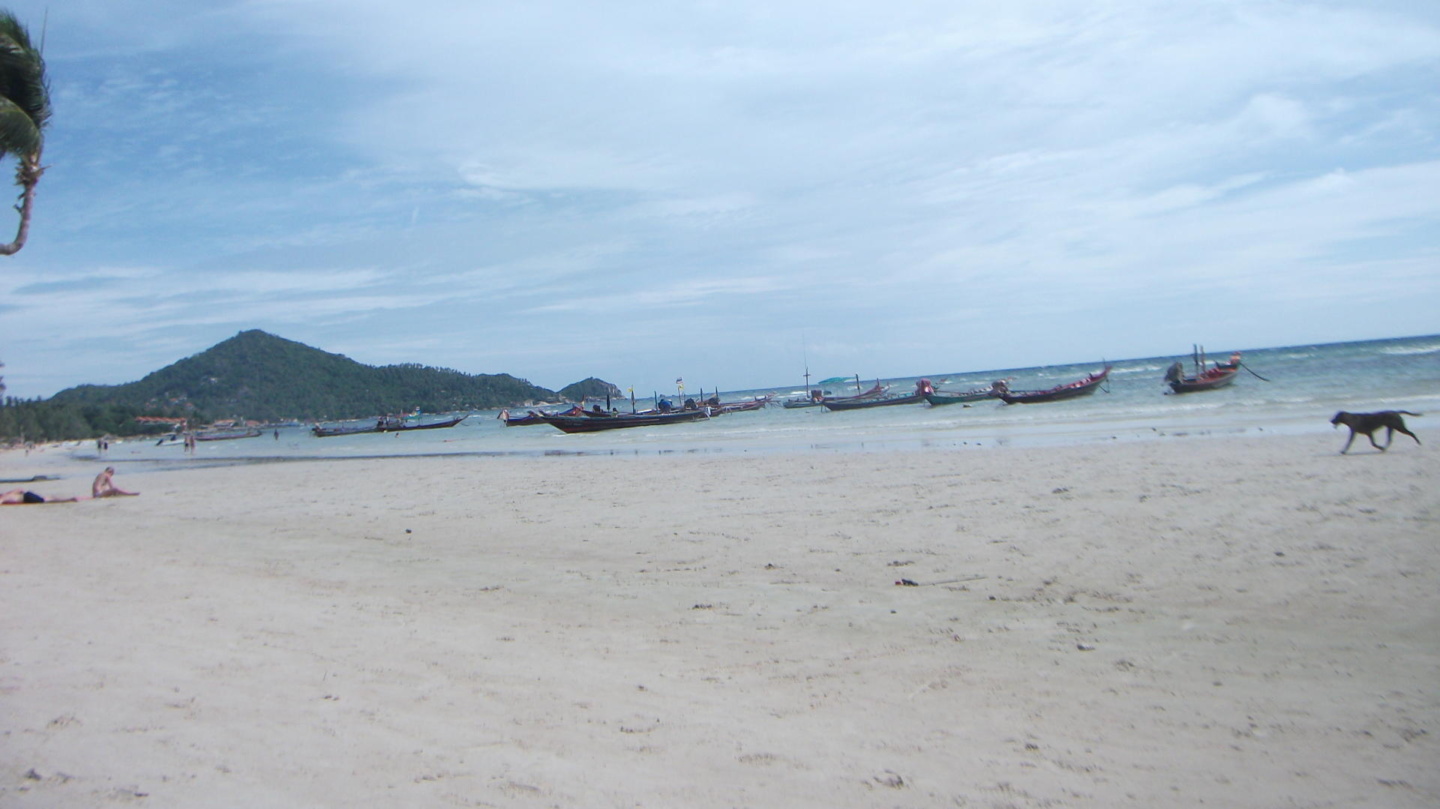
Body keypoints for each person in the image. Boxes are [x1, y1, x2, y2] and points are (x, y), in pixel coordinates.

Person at [2, 489, 79, 504]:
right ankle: (67, 499)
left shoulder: (4, 497)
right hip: (27, 494)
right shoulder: (7, 494)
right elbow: (20, 489)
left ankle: (66, 500)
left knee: (45, 500)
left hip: (26, 498)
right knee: (46, 498)